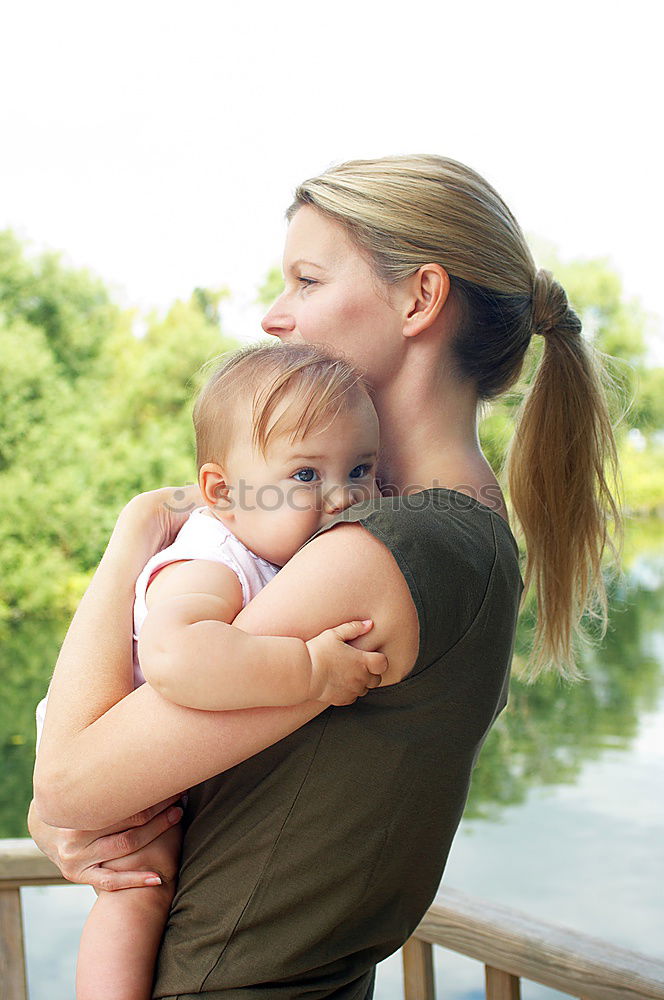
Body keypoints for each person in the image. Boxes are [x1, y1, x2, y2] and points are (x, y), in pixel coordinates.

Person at [30, 154, 621, 1000]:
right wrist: (62, 827)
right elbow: (120, 787)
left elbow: (71, 780)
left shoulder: (384, 551)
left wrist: (131, 543)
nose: (274, 318)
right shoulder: (440, 533)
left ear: (420, 298)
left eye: (306, 279)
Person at [35, 342, 389, 1000]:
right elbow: (176, 658)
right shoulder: (210, 560)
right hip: (111, 737)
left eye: (362, 468)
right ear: (222, 492)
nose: (344, 495)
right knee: (139, 888)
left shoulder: (284, 549)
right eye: (307, 475)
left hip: (163, 767)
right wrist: (308, 669)